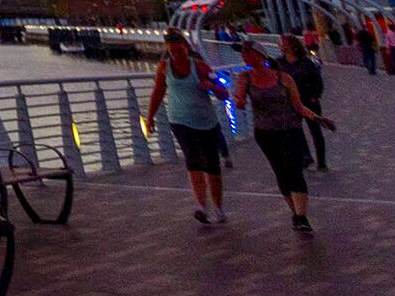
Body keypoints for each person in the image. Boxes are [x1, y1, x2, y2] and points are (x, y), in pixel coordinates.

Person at [236, 41, 334, 234]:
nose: (244, 56)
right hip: (265, 134)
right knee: (280, 171)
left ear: (260, 55)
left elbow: (297, 107)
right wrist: (238, 100)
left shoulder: (283, 78)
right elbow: (239, 99)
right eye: (243, 53)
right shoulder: (245, 77)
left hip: (290, 129)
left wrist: (318, 118)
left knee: (294, 170)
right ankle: (295, 213)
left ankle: (301, 216)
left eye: (248, 52)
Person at [143, 32, 229, 225]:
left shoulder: (199, 66)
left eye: (178, 50)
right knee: (193, 162)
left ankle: (218, 208)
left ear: (186, 47)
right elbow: (157, 93)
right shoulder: (164, 68)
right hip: (180, 121)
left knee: (212, 165)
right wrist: (150, 118)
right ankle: (201, 206)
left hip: (206, 121)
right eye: (171, 52)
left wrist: (211, 86)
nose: (175, 55)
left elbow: (224, 93)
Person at [287, 29, 332, 170]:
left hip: (309, 100)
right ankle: (306, 156)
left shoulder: (306, 62)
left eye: (283, 43)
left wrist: (315, 96)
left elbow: (317, 80)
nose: (280, 45)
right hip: (292, 101)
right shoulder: (281, 63)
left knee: (315, 131)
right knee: (296, 130)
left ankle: (321, 161)